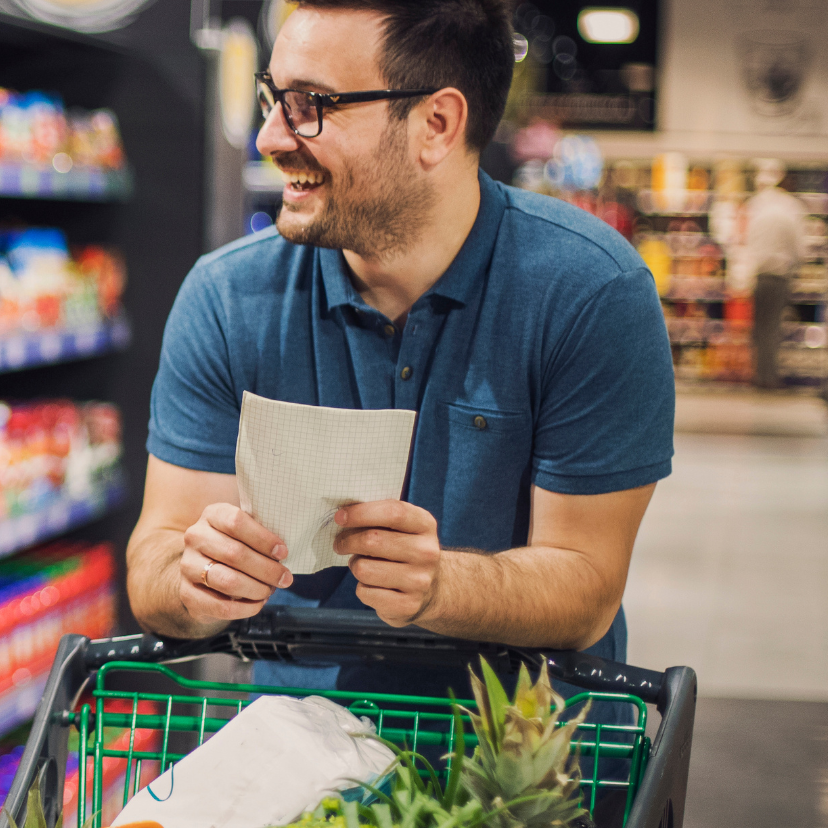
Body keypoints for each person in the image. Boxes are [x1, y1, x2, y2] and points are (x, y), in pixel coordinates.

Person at [127, 0, 675, 698]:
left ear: (436, 125)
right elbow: (155, 559)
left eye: (310, 105)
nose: (269, 136)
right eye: (272, 98)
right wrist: (194, 578)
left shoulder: (590, 292)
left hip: (525, 773)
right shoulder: (228, 297)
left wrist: (443, 583)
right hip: (294, 767)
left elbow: (587, 584)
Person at [742, 158, 806, 390]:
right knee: (773, 327)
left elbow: (746, 242)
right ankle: (769, 377)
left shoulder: (756, 205)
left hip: (760, 275)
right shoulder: (791, 207)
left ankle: (761, 375)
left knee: (760, 328)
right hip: (780, 276)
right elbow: (800, 247)